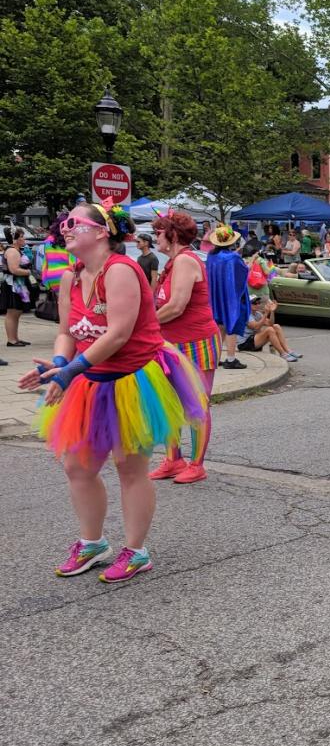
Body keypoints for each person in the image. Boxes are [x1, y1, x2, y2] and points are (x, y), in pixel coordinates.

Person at [17, 199, 207, 582]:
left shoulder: (121, 269)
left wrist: (71, 370)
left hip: (131, 379)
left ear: (102, 232)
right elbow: (67, 332)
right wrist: (58, 364)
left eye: (74, 222)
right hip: (88, 379)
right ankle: (93, 543)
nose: (65, 228)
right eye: (63, 223)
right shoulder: (71, 275)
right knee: (76, 465)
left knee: (129, 467)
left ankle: (136, 551)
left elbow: (119, 334)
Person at [148, 210, 223, 484]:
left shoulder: (185, 262)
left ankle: (197, 464)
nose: (155, 235)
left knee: (197, 405)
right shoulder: (171, 263)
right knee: (170, 403)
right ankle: (173, 459)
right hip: (170, 343)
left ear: (173, 234)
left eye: (158, 231)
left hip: (196, 342)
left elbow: (176, 306)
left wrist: (143, 325)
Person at [204, 225, 252, 371]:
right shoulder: (233, 257)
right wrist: (248, 265)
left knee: (220, 326)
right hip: (231, 296)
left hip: (216, 295)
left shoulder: (211, 256)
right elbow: (242, 273)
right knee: (232, 323)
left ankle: (216, 357)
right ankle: (231, 358)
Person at [238, 295, 299, 361]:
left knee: (276, 326)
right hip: (244, 344)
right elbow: (256, 327)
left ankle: (288, 351)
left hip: (254, 341)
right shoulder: (245, 314)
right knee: (269, 330)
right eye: (254, 303)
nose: (257, 304)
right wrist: (266, 313)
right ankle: (282, 353)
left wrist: (272, 311)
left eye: (258, 302)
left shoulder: (257, 314)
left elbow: (270, 323)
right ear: (247, 304)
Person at [2, 227, 35, 346]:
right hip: (13, 285)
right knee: (12, 312)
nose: (24, 239)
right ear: (15, 239)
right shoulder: (12, 251)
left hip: (18, 285)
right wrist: (29, 272)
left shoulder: (17, 250)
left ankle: (15, 338)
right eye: (21, 236)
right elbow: (14, 269)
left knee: (17, 312)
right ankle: (11, 340)